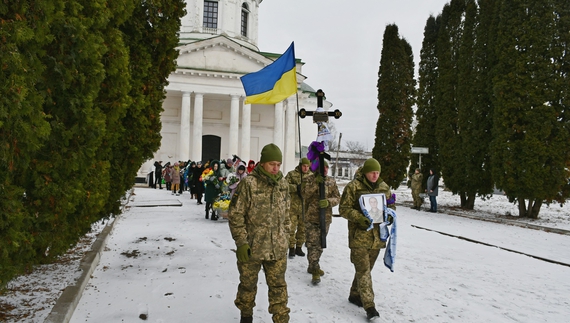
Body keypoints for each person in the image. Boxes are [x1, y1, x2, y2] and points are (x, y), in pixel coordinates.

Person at [228, 143, 291, 323]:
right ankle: (246, 316)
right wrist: (241, 242)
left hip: (277, 249)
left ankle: (281, 319)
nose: (276, 168)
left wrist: (285, 238)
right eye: (272, 164)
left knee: (279, 288)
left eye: (279, 164)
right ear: (262, 163)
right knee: (247, 286)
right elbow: (236, 214)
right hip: (252, 248)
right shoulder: (249, 183)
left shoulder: (283, 184)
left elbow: (287, 215)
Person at [339, 158, 395, 321]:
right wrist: (358, 217)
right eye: (372, 172)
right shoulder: (354, 187)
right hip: (359, 237)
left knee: (366, 269)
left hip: (377, 238)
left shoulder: (384, 188)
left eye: (377, 172)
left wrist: (390, 216)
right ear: (365, 172)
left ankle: (355, 294)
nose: (375, 175)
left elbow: (391, 206)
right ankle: (370, 307)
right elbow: (344, 209)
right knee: (363, 270)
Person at [301, 160, 340, 284]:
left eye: (327, 168)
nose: (325, 170)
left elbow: (338, 197)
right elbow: (304, 194)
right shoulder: (309, 180)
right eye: (322, 168)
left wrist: (329, 202)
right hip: (311, 217)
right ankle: (315, 269)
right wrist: (315, 185)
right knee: (313, 244)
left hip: (326, 218)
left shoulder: (331, 181)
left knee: (320, 244)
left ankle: (312, 264)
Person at [284, 157, 313, 258]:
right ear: (300, 165)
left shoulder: (311, 176)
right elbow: (284, 186)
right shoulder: (292, 174)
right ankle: (291, 247)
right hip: (293, 207)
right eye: (304, 166)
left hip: (306, 208)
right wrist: (296, 188)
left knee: (303, 229)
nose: (305, 168)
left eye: (307, 166)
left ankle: (299, 247)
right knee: (291, 228)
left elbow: (314, 190)